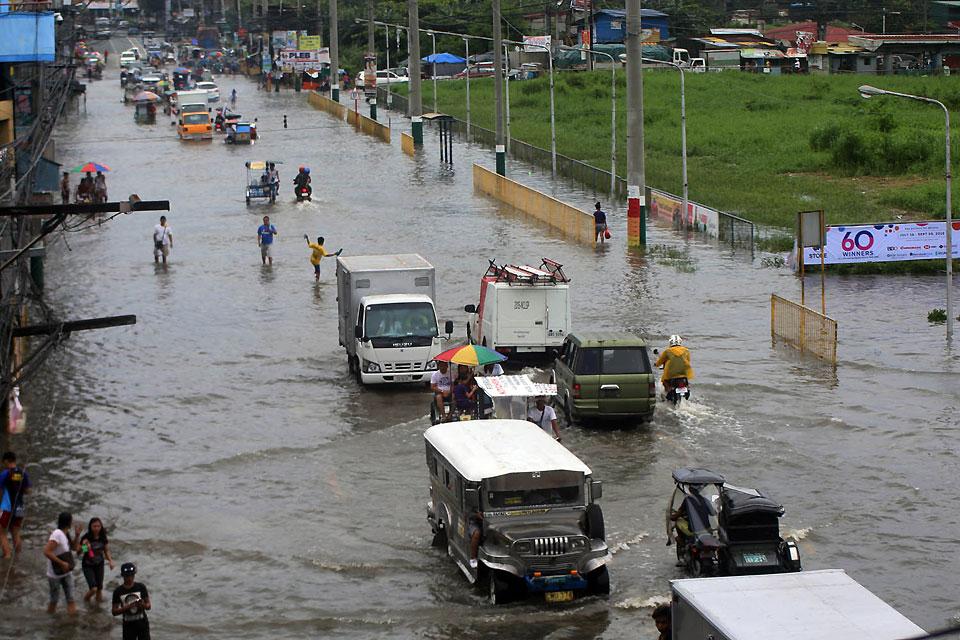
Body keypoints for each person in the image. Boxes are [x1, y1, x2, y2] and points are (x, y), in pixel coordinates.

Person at [44, 511, 81, 614]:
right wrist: (62, 563)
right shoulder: (57, 534)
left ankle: (72, 624)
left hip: (67, 572)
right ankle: (50, 620)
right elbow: (46, 551)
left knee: (71, 598)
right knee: (54, 600)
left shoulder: (65, 534)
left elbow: (74, 548)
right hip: (55, 574)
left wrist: (77, 535)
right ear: (68, 522)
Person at [0, 451, 31, 559]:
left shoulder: (5, 474)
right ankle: (17, 557)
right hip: (20, 507)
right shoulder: (23, 473)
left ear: (7, 461)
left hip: (7, 507)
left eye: (4, 462)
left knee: (1, 532)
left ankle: (7, 556)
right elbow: (28, 491)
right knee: (15, 532)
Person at [77, 517, 115, 603]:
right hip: (88, 565)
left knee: (99, 588)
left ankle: (97, 609)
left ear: (101, 527)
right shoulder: (86, 537)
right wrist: (85, 547)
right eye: (94, 526)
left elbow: (106, 550)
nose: (96, 528)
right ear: (90, 527)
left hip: (99, 564)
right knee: (93, 588)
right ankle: (85, 601)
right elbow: (79, 553)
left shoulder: (102, 537)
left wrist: (110, 561)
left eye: (98, 526)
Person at [112, 562, 151, 639]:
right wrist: (127, 607)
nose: (130, 578)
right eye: (127, 576)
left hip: (142, 624)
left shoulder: (141, 587)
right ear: (122, 576)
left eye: (132, 575)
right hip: (128, 626)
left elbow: (148, 606)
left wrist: (143, 605)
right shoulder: (118, 591)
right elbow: (114, 611)